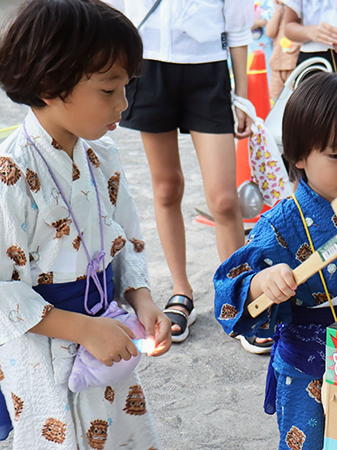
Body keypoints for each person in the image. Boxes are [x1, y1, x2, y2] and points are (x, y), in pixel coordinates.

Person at [0, 0, 171, 447]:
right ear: (52, 85)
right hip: (43, 350)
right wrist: (81, 329)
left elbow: (127, 240)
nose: (124, 103)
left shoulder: (102, 157)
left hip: (104, 333)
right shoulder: (2, 178)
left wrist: (143, 299)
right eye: (108, 90)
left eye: (126, 87)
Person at [214, 72, 337, 450]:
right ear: (299, 156)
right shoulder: (279, 225)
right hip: (306, 364)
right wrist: (263, 283)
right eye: (336, 155)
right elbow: (230, 290)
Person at [106, 0, 254, 343]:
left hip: (208, 70)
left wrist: (243, 97)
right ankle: (180, 291)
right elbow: (110, 14)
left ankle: (237, 297)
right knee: (167, 187)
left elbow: (238, 28)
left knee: (223, 198)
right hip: (149, 68)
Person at [265, 0, 301, 101]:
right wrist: (278, 11)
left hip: (294, 65)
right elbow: (269, 32)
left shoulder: (300, 12)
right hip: (277, 64)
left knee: (293, 99)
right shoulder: (281, 12)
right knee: (275, 100)